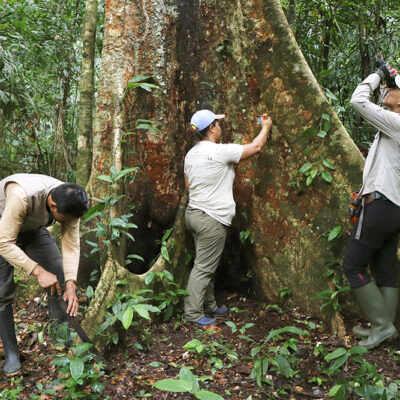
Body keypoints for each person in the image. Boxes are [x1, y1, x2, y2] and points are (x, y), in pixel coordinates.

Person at [184, 110, 272, 325]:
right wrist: (266, 127)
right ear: (212, 128)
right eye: (218, 123)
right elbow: (256, 147)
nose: (220, 127)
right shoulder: (219, 151)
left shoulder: (191, 154)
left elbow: (188, 185)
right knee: (204, 268)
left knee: (206, 263)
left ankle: (210, 305)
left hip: (194, 214)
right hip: (210, 219)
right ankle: (193, 314)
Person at [0, 173, 88, 375]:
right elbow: (4, 243)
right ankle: (12, 354)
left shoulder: (71, 202)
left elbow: (72, 244)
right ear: (53, 205)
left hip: (32, 231)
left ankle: (61, 339)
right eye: (64, 219)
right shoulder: (21, 196)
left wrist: (72, 283)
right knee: (2, 292)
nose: (68, 222)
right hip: (2, 231)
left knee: (59, 272)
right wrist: (38, 271)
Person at [342, 60, 400, 349]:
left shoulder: (397, 122)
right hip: (394, 208)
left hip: (382, 205)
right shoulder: (393, 123)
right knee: (385, 269)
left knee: (353, 265)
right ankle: (385, 328)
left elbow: (357, 100)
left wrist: (378, 75)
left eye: (395, 88)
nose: (390, 89)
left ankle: (381, 326)